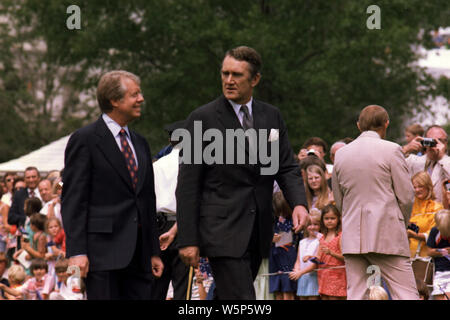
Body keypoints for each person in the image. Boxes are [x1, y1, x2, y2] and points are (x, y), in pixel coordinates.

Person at [176, 46, 309, 299]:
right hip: (221, 232)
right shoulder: (201, 119)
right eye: (225, 73)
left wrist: (299, 203)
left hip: (258, 231)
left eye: (236, 75)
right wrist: (188, 239)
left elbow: (285, 166)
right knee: (243, 300)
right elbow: (188, 185)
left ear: (255, 79)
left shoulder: (271, 116)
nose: (229, 81)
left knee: (227, 298)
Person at [62, 70, 163, 300]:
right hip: (101, 256)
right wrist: (77, 252)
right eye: (135, 94)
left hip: (139, 258)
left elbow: (147, 200)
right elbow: (74, 200)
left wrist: (153, 252)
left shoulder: (140, 142)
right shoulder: (85, 140)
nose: (141, 99)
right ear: (114, 101)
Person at [332, 104, 419, 300]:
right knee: (406, 294)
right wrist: (401, 223)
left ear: (358, 125)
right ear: (386, 124)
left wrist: (349, 219)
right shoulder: (392, 150)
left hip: (353, 236)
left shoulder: (341, 154)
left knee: (355, 294)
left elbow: (339, 199)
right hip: (387, 233)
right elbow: (406, 196)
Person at [151, 120, 191, 300]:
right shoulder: (193, 165)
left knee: (157, 285)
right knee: (183, 287)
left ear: (170, 141)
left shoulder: (157, 165)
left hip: (159, 225)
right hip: (183, 225)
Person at [402, 125, 450, 203]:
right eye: (431, 140)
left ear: (445, 143)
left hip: (441, 212)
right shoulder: (415, 161)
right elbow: (388, 163)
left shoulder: (447, 162)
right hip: (418, 212)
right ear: (425, 141)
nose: (434, 144)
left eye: (439, 140)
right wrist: (406, 149)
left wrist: (442, 157)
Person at [269, 192, 297, 300]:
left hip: (288, 255)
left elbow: (299, 235)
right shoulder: (271, 220)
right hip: (275, 256)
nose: (281, 215)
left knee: (288, 287)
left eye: (283, 211)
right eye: (278, 211)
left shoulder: (292, 219)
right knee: (277, 288)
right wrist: (270, 238)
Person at [408, 171, 443, 258]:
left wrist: (413, 235)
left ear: (428, 187)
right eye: (414, 187)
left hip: (426, 259)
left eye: (420, 186)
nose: (417, 190)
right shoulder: (409, 207)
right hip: (408, 256)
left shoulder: (437, 208)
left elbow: (435, 236)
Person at [289, 209, 322, 300]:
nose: (312, 227)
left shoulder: (320, 241)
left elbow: (315, 263)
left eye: (315, 224)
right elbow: (298, 260)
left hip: (313, 277)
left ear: (320, 225)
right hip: (302, 277)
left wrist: (300, 273)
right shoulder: (302, 242)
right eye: (309, 225)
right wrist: (296, 270)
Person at [315, 204, 346, 300]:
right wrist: (310, 257)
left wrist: (331, 253)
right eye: (326, 218)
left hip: (337, 274)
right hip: (323, 274)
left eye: (332, 218)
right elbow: (319, 257)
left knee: (334, 297)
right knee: (324, 297)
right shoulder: (322, 237)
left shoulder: (340, 236)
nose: (329, 221)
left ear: (338, 219)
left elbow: (345, 258)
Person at [426, 209, 450, 300]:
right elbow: (429, 251)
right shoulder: (434, 232)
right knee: (438, 296)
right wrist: (443, 251)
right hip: (439, 272)